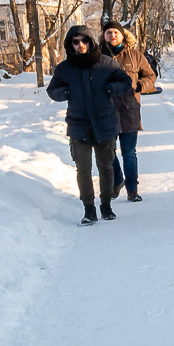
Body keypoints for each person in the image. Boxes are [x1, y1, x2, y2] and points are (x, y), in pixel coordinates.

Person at [47, 25, 132, 226]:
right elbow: (53, 90)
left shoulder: (105, 63)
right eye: (76, 41)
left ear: (91, 41)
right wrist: (66, 93)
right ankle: (89, 209)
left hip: (105, 124)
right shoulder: (65, 68)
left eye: (84, 40)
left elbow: (126, 82)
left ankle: (106, 205)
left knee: (106, 167)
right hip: (79, 126)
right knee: (83, 169)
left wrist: (111, 89)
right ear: (71, 44)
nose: (81, 45)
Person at [100, 20, 157, 203]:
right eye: (108, 32)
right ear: (104, 36)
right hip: (105, 110)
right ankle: (118, 179)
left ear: (122, 35)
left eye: (115, 32)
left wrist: (140, 85)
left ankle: (132, 190)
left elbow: (150, 76)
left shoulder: (135, 56)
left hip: (129, 110)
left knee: (129, 152)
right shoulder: (97, 56)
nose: (112, 35)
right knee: (108, 151)